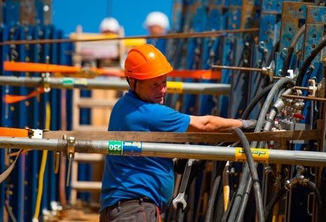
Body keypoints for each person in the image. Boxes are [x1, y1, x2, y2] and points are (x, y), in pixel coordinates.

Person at [99, 44, 256, 222]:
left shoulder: (122, 106)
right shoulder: (150, 112)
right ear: (134, 83)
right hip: (135, 210)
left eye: (164, 82)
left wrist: (170, 162)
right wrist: (246, 123)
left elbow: (136, 157)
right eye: (154, 85)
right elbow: (205, 124)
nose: (162, 90)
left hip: (119, 209)